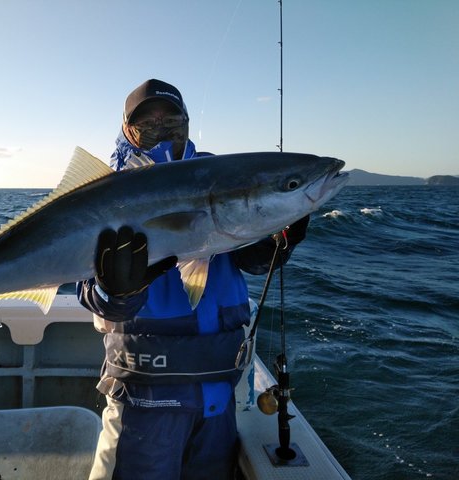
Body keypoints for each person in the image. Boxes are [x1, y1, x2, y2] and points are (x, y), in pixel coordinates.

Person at [77, 79, 309, 480]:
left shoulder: (224, 178)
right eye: (146, 119)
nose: (161, 125)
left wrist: (275, 244)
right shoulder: (105, 191)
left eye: (170, 116)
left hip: (218, 394)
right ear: (126, 127)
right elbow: (93, 295)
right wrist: (114, 290)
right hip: (143, 398)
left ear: (187, 121)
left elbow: (248, 260)